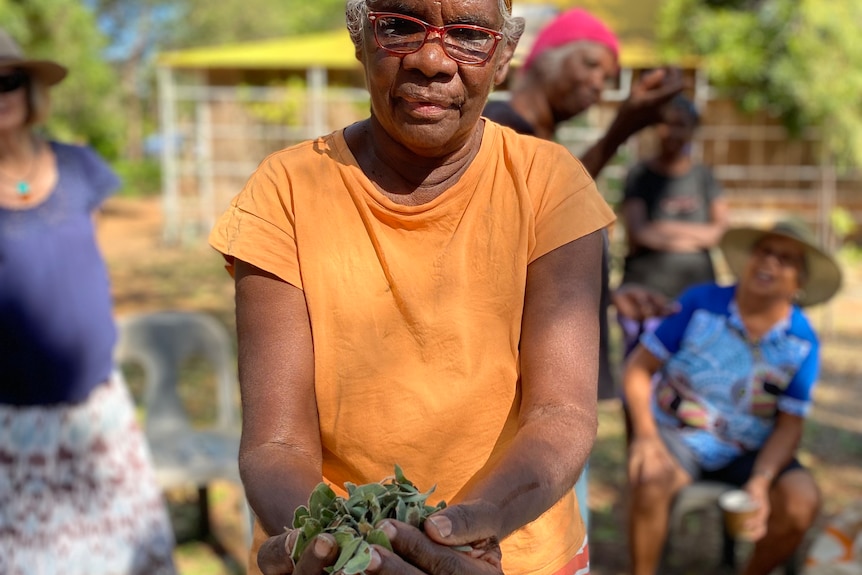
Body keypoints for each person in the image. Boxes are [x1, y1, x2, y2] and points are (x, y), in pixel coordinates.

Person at [208, 0, 616, 573]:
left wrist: (468, 528)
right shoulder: (286, 193)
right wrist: (337, 544)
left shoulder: (550, 185)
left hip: (518, 553)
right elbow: (277, 446)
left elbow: (561, 414)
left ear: (502, 57)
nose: (431, 60)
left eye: (469, 35)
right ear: (359, 40)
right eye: (400, 26)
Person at [483, 6, 683, 529]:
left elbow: (539, 255)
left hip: (562, 403)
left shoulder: (548, 146)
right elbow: (543, 208)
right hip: (521, 408)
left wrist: (606, 295)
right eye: (592, 65)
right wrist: (621, 130)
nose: (600, 84)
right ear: (544, 55)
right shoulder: (497, 129)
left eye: (609, 79)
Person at [0, 30, 176, 575]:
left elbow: (90, 265)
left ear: (30, 89)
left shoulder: (79, 167)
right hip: (14, 420)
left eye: (8, 80)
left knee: (129, 558)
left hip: (99, 409)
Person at [623, 219, 842, 575]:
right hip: (681, 436)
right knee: (651, 478)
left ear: (799, 282)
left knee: (802, 501)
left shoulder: (802, 342)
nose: (769, 262)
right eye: (764, 251)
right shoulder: (702, 303)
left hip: (750, 449)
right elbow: (638, 369)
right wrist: (646, 438)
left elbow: (790, 425)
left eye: (785, 259)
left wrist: (762, 479)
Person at [618, 94, 728, 357]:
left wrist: (662, 228)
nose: (673, 132)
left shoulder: (705, 177)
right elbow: (639, 233)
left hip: (696, 298)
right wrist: (694, 238)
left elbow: (717, 233)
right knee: (641, 375)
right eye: (667, 124)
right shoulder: (640, 176)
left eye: (682, 125)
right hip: (645, 297)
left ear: (693, 130)